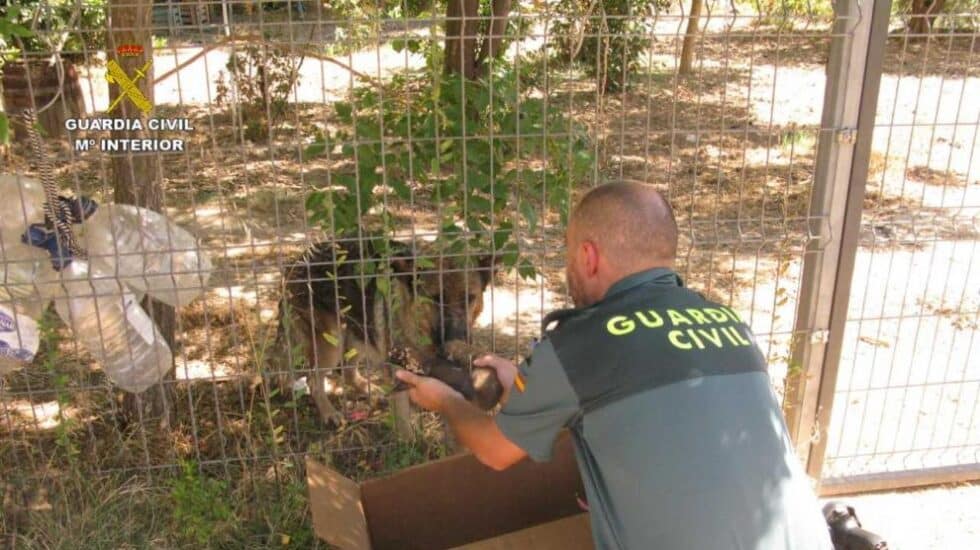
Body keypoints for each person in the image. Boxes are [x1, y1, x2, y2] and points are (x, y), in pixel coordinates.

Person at [395, 181, 833, 550]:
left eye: (568, 256)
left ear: (588, 256)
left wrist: (448, 400)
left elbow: (493, 451)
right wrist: (528, 384)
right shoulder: (729, 322)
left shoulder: (578, 344)